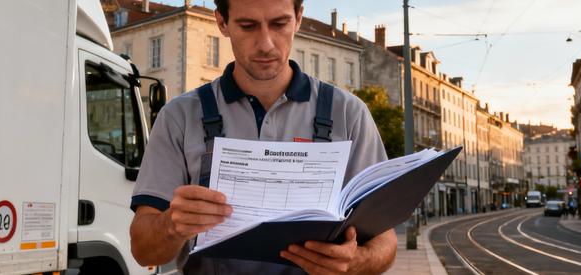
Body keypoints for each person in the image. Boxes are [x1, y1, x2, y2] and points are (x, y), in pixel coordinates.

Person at [128, 0, 398, 273]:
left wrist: (355, 263)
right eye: (248, 26)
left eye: (279, 24)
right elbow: (142, 250)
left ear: (299, 18)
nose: (266, 43)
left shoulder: (348, 113)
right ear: (222, 22)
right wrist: (172, 225)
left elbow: (385, 241)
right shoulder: (179, 116)